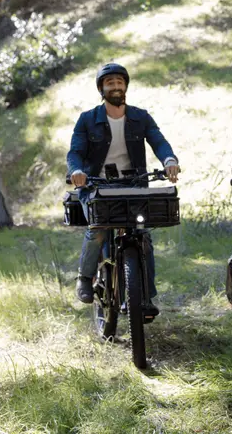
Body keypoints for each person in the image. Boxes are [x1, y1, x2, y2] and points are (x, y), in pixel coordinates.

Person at [67, 62, 180, 317]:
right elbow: (75, 152)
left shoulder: (140, 117)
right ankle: (85, 278)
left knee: (144, 237)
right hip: (96, 185)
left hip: (133, 185)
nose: (116, 87)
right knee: (97, 230)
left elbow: (159, 141)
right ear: (102, 89)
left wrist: (169, 160)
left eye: (120, 82)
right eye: (110, 83)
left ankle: (147, 297)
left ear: (125, 86)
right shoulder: (88, 119)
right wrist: (77, 172)